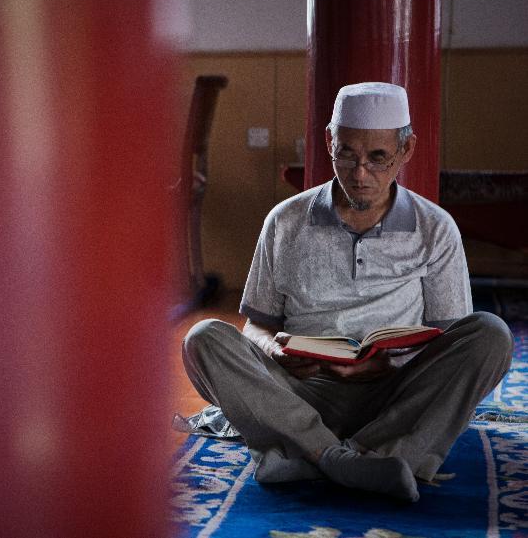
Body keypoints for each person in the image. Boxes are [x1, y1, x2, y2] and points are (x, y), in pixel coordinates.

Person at [182, 82, 513, 502]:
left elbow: (447, 342)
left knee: (490, 334)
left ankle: (310, 455)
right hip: (297, 391)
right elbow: (256, 326)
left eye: (378, 158)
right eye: (347, 155)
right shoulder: (285, 221)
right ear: (328, 142)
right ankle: (354, 459)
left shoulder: (436, 227)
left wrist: (387, 366)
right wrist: (275, 352)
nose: (360, 175)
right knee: (204, 339)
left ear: (406, 150)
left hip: (394, 394)